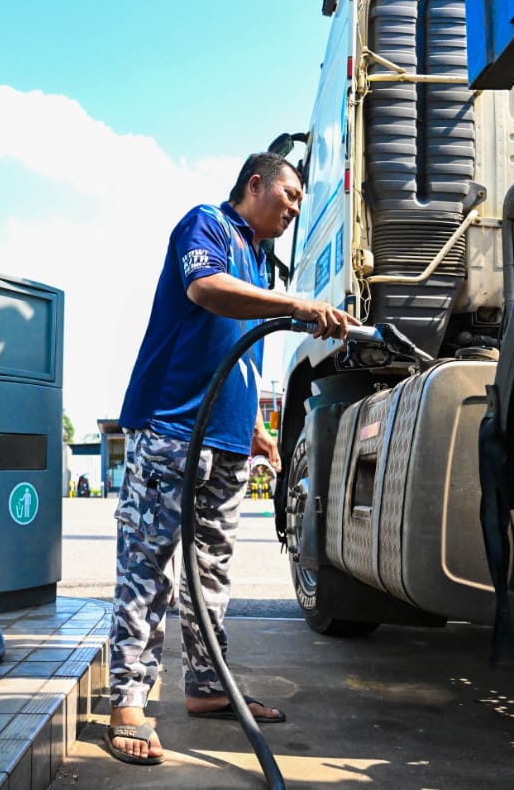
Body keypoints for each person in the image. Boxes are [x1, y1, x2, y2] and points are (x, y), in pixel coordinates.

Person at [104, 152, 360, 765]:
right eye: (291, 194)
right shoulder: (207, 226)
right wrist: (293, 305)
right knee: (149, 568)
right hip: (170, 431)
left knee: (211, 575)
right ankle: (127, 702)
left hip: (224, 445)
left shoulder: (256, 257)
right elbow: (204, 291)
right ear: (255, 184)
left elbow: (236, 360)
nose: (296, 207)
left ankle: (206, 685)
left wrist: (254, 432)